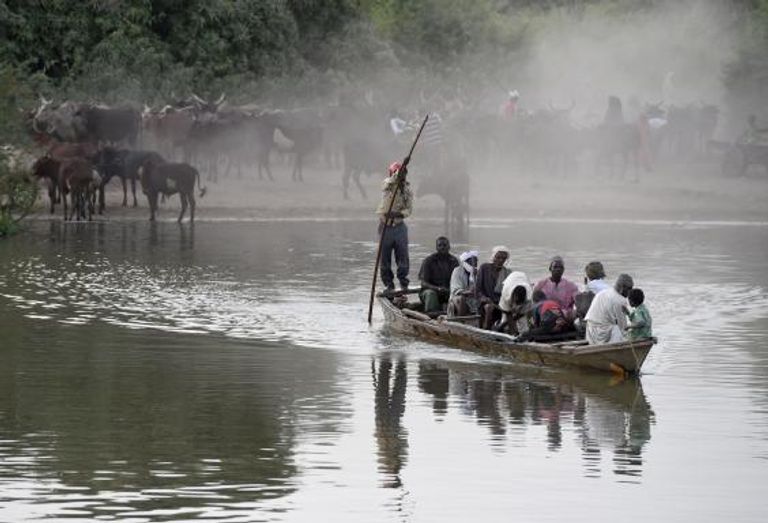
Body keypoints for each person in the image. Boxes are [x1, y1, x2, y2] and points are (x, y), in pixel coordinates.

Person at [376, 161, 413, 292]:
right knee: (384, 259)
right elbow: (392, 181)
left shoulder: (407, 189)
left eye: (404, 173)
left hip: (399, 227)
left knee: (403, 257)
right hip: (385, 227)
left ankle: (403, 282)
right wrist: (400, 169)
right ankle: (388, 284)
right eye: (400, 173)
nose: (403, 176)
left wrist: (399, 213)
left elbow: (409, 209)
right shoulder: (387, 184)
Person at [584, 274, 634, 345]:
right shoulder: (621, 300)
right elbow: (622, 326)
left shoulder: (603, 292)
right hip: (602, 334)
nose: (630, 292)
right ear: (622, 288)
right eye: (629, 288)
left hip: (589, 331)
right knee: (618, 330)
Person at [418, 236, 459, 314]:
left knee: (460, 295)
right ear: (436, 247)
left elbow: (458, 278)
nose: (442, 247)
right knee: (431, 294)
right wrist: (438, 289)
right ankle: (431, 316)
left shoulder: (454, 261)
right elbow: (423, 283)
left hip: (448, 291)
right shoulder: (429, 261)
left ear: (449, 247)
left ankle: (455, 315)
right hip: (431, 291)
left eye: (444, 245)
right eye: (440, 245)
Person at [476, 246, 511, 330]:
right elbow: (478, 289)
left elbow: (508, 292)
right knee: (489, 307)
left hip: (499, 303)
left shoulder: (507, 272)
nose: (501, 260)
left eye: (503, 258)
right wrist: (484, 298)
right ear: (493, 257)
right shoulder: (484, 268)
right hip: (484, 302)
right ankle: (485, 330)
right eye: (498, 257)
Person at [448, 250, 479, 317]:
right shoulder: (457, 271)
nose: (475, 263)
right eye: (472, 262)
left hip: (473, 298)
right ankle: (461, 320)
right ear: (465, 262)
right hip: (457, 297)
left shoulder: (477, 273)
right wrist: (469, 292)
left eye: (476, 261)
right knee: (461, 299)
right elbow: (456, 290)